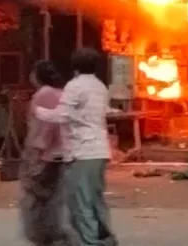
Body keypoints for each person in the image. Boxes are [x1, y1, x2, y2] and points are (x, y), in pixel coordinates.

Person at [35, 48, 116, 246]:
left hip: (81, 152)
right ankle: (105, 237)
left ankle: (89, 241)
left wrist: (39, 111)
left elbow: (62, 115)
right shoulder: (100, 86)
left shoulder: (75, 86)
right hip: (99, 150)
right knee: (95, 198)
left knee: (80, 202)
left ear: (74, 67)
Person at [20, 61, 69, 246]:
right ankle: (54, 232)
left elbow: (44, 126)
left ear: (36, 75)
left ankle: (44, 234)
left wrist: (35, 150)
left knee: (37, 195)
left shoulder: (44, 94)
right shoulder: (61, 93)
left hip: (47, 154)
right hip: (63, 153)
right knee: (54, 196)